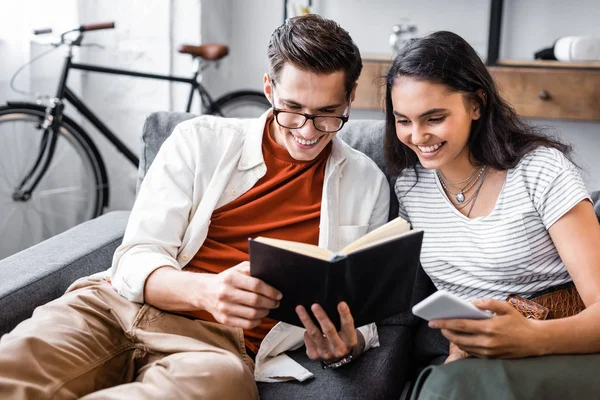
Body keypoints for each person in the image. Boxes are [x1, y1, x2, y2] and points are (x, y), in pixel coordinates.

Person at [0, 14, 390, 399]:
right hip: (111, 308)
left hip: (214, 351)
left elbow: (363, 316)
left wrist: (343, 349)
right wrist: (207, 291)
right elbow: (137, 255)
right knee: (13, 366)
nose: (307, 131)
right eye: (292, 109)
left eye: (326, 114)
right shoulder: (200, 141)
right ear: (269, 89)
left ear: (350, 98)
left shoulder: (366, 183)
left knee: (216, 385)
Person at [384, 31, 600, 399]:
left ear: (476, 104)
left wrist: (530, 338)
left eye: (434, 118)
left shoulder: (540, 170)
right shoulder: (410, 187)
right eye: (403, 120)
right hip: (474, 353)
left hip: (561, 342)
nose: (418, 136)